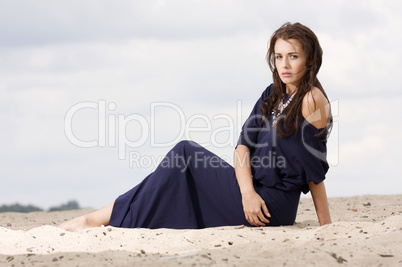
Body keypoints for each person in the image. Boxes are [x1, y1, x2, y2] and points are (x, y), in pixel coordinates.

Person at [59, 22, 332, 231]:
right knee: (175, 173)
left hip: (272, 205)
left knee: (185, 153)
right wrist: (247, 193)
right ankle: (100, 218)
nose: (284, 64)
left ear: (309, 59)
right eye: (278, 56)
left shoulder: (312, 100)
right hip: (251, 193)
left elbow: (315, 172)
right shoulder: (271, 95)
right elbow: (242, 148)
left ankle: (97, 219)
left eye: (293, 56)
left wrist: (327, 227)